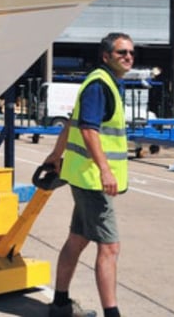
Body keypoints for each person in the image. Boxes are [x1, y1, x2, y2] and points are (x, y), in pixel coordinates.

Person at [44, 32, 134, 317]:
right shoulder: (99, 84)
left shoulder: (106, 82)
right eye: (121, 52)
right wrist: (105, 170)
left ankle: (60, 304)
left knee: (78, 239)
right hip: (94, 181)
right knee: (110, 248)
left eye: (131, 52)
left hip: (84, 177)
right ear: (106, 56)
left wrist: (56, 154)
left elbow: (73, 120)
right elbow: (87, 129)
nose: (128, 57)